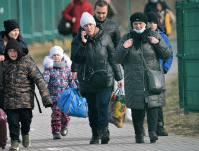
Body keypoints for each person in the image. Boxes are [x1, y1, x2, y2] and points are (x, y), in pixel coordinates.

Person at [113, 12, 172, 143]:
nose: (138, 26)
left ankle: (152, 132)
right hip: (134, 79)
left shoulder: (155, 36)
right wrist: (124, 47)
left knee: (153, 106)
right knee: (137, 108)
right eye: (135, 24)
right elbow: (116, 58)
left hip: (152, 79)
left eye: (141, 23)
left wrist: (157, 43)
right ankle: (139, 134)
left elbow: (167, 54)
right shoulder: (126, 38)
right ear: (132, 25)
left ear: (146, 24)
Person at [71, 12, 123, 144]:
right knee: (92, 108)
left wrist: (119, 77)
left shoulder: (105, 37)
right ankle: (95, 133)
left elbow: (113, 58)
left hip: (105, 78)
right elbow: (75, 59)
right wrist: (83, 44)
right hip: (87, 80)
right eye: (85, 26)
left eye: (90, 25)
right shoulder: (77, 40)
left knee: (102, 105)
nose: (88, 28)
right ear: (82, 28)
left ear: (94, 24)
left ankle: (104, 131)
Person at [0, 39, 53, 150]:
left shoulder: (28, 63)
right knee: (13, 122)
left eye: (14, 51)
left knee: (26, 120)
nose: (12, 53)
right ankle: (14, 141)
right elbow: (3, 83)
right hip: (10, 101)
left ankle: (25, 133)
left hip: (25, 101)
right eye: (10, 51)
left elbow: (39, 80)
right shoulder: (5, 65)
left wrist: (46, 97)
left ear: (19, 51)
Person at [0, 19, 29, 108]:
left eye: (18, 30)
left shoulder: (20, 42)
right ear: (8, 31)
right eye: (14, 30)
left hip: (14, 82)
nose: (16, 33)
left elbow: (28, 61)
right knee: (0, 108)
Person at [71, 0, 121, 79]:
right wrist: (74, 69)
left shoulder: (113, 26)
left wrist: (118, 72)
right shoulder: (86, 24)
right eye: (98, 13)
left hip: (108, 69)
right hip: (90, 68)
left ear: (108, 11)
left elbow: (118, 46)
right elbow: (78, 47)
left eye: (103, 13)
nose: (101, 16)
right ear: (94, 10)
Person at [147, 12, 173, 136]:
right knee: (149, 100)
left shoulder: (163, 36)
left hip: (158, 72)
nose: (152, 25)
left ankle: (160, 125)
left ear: (157, 23)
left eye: (154, 22)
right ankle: (151, 125)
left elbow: (169, 53)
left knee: (159, 99)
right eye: (150, 22)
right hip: (147, 72)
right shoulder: (144, 36)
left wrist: (165, 68)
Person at [43, 46, 76, 140]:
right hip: (54, 97)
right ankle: (56, 131)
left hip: (66, 96)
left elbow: (71, 81)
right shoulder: (49, 69)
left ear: (61, 56)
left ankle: (64, 126)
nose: (56, 57)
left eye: (58, 55)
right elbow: (45, 80)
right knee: (56, 114)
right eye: (54, 55)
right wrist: (44, 85)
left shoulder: (67, 69)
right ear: (51, 57)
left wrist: (75, 89)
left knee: (65, 115)